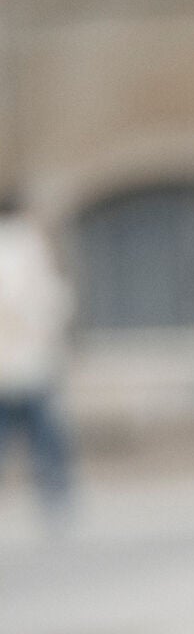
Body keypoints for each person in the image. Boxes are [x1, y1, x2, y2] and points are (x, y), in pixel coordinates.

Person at [0, 190, 76, 520]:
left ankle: (55, 495)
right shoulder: (26, 245)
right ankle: (55, 495)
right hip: (27, 356)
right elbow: (46, 297)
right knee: (43, 433)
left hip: (14, 358)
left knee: (12, 430)